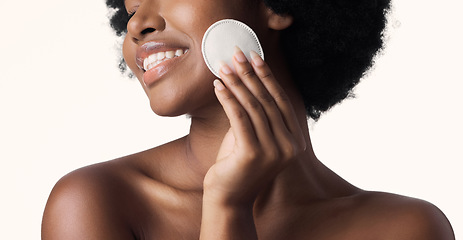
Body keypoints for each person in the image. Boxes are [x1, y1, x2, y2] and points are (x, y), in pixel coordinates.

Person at [42, 0, 455, 239]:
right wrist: (226, 209)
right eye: (132, 4)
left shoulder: (404, 230)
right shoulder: (96, 203)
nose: (137, 23)